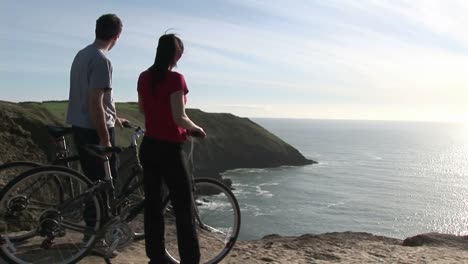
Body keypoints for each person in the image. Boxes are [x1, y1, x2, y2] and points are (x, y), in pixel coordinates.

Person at [137, 33, 206, 264]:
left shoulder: (144, 77)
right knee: (183, 209)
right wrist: (196, 128)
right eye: (180, 52)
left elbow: (142, 109)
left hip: (148, 146)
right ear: (176, 54)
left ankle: (156, 257)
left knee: (153, 206)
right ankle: (190, 260)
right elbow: (180, 117)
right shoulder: (176, 79)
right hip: (170, 150)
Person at [66, 13, 126, 257]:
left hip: (80, 126)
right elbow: (95, 103)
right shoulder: (102, 60)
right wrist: (105, 138)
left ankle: (92, 236)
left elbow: (93, 99)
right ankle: (94, 241)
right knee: (101, 185)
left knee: (92, 182)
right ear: (117, 36)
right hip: (93, 129)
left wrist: (115, 117)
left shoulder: (82, 54)